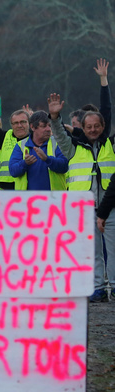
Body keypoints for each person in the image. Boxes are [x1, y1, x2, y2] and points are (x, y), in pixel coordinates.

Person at [49, 92, 114, 302]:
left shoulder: (110, 146)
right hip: (83, 208)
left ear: (102, 127)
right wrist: (55, 117)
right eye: (89, 127)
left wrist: (104, 84)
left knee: (113, 251)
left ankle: (114, 285)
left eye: (97, 126)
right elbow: (59, 134)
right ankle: (97, 288)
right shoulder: (72, 147)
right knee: (92, 251)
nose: (93, 130)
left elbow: (107, 112)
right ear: (83, 129)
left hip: (109, 206)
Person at [8, 110, 68, 190]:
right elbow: (13, 171)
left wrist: (47, 159)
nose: (48, 129)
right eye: (43, 126)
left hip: (54, 199)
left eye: (49, 126)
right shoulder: (21, 145)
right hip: (28, 200)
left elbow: (64, 166)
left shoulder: (57, 143)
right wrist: (25, 163)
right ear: (32, 127)